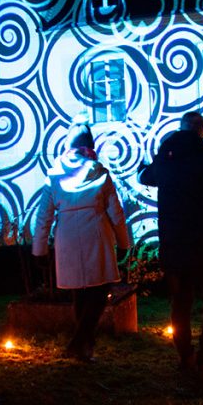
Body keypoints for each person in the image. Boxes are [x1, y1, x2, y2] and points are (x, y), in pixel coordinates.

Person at [139, 112, 203, 381]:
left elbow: (146, 177)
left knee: (180, 303)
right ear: (201, 131)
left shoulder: (166, 155)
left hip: (174, 245)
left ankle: (185, 356)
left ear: (180, 129)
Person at [33, 123, 131, 362]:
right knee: (100, 290)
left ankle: (84, 350)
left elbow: (43, 215)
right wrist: (124, 243)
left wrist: (39, 249)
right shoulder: (100, 172)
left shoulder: (54, 175)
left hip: (67, 237)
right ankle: (78, 344)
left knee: (79, 293)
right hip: (96, 235)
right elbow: (116, 213)